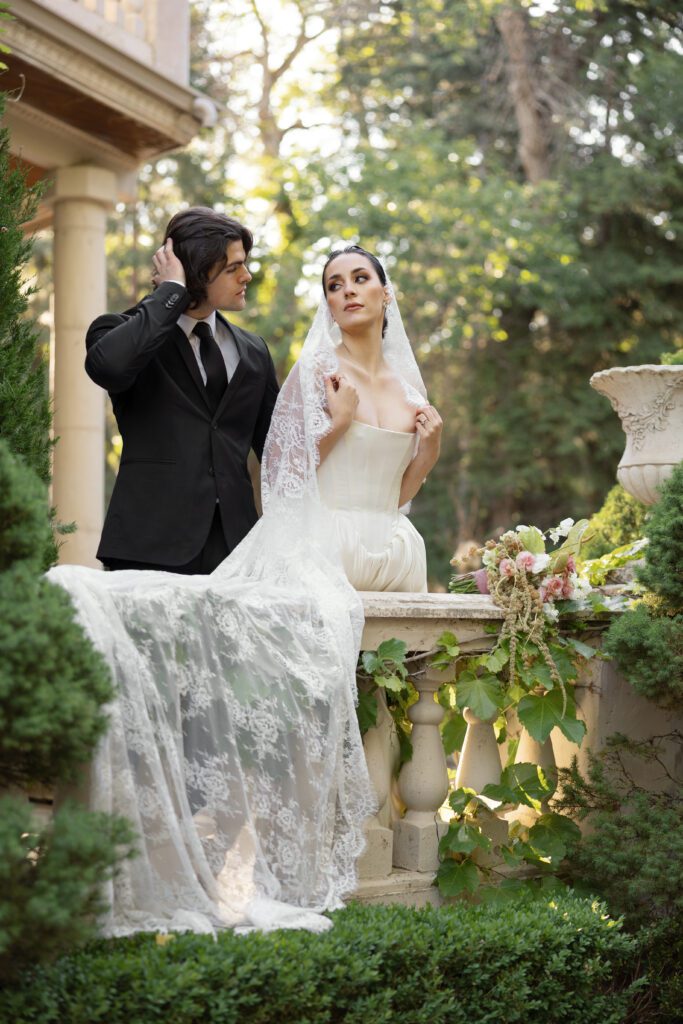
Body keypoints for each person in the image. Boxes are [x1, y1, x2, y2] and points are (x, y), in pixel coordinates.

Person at [48, 244, 442, 936]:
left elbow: (397, 493)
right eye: (332, 284)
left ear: (388, 293)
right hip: (317, 544)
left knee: (376, 698)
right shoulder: (314, 372)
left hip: (390, 548)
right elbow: (285, 477)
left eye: (359, 279)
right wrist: (340, 423)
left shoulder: (407, 390)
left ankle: (357, 846)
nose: (346, 291)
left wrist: (428, 453)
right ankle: (225, 867)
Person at [85, 207, 279, 573]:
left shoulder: (254, 350)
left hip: (237, 553)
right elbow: (108, 368)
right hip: (149, 546)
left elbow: (277, 450)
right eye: (232, 268)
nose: (247, 276)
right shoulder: (121, 331)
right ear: (195, 270)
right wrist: (172, 292)